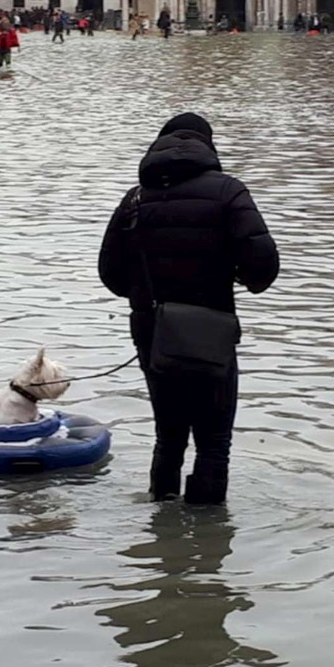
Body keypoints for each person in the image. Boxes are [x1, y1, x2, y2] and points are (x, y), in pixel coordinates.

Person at [98, 113, 279, 505]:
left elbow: (110, 274)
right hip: (211, 330)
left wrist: (147, 295)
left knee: (169, 435)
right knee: (214, 441)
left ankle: (162, 527)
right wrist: (232, 277)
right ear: (209, 148)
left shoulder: (134, 199)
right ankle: (208, 550)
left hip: (153, 330)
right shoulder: (229, 192)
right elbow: (263, 268)